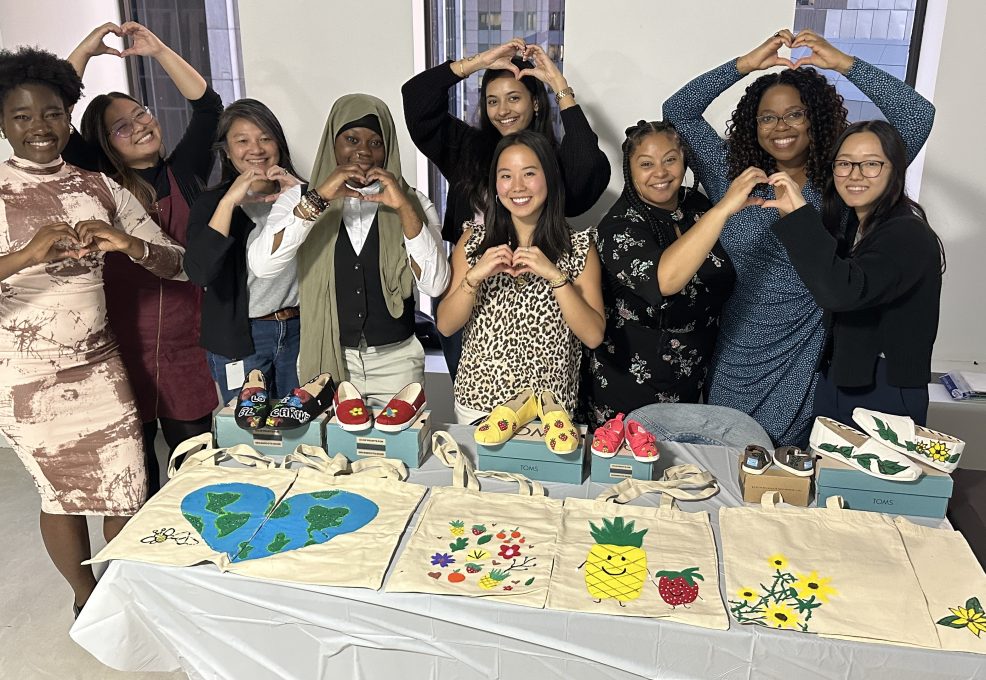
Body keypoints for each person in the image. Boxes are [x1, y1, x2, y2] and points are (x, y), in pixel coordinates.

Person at [662, 29, 935, 445]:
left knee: (786, 477)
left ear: (815, 118)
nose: (780, 127)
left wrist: (845, 63)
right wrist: (745, 65)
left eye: (795, 114)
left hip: (806, 355)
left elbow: (917, 117)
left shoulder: (842, 179)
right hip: (738, 345)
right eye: (767, 117)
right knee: (725, 455)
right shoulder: (734, 177)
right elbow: (678, 109)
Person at [0, 47, 186, 615]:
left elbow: (176, 261)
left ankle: (130, 589)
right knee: (60, 495)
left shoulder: (99, 187)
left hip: (99, 364)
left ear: (68, 115)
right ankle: (87, 596)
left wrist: (128, 243)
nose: (39, 127)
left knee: (128, 486)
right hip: (24, 375)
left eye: (52, 113)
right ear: (3, 122)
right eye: (22, 116)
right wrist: (27, 254)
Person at [64, 22, 221, 492]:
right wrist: (85, 52)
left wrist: (157, 50)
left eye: (142, 113)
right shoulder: (95, 178)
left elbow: (207, 106)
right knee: (137, 476)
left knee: (196, 468)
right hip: (120, 344)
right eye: (121, 126)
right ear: (104, 144)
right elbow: (55, 113)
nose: (140, 126)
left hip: (186, 342)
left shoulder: (185, 170)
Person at [402, 38, 610, 378]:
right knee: (472, 393)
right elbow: (417, 100)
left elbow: (590, 170)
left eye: (514, 98)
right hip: (472, 289)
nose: (504, 110)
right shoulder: (467, 149)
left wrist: (560, 86)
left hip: (541, 294)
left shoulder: (554, 160)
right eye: (493, 101)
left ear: (536, 103)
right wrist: (478, 62)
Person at [250, 93, 448, 406]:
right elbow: (263, 266)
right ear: (333, 143)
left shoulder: (415, 202)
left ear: (388, 149)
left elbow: (435, 284)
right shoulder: (298, 199)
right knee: (330, 455)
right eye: (351, 139)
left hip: (396, 363)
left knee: (401, 453)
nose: (363, 153)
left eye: (375, 143)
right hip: (326, 355)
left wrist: (404, 209)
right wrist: (320, 198)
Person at [585, 120, 772, 427]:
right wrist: (723, 209)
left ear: (684, 161)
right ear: (629, 170)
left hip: (691, 379)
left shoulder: (696, 205)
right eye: (646, 164)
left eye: (670, 160)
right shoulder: (617, 227)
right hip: (628, 384)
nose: (660, 173)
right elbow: (665, 280)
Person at [763, 120, 943, 425]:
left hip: (884, 388)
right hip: (844, 379)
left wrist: (798, 216)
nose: (855, 175)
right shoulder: (858, 228)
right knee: (827, 472)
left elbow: (840, 291)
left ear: (895, 170)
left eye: (871, 164)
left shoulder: (906, 233)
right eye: (844, 164)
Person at [437, 130, 605, 423]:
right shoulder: (473, 240)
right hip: (479, 404)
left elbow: (592, 336)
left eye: (529, 173)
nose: (517, 186)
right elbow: (446, 324)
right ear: (495, 184)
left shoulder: (578, 246)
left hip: (549, 411)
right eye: (506, 176)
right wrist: (474, 277)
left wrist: (556, 277)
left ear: (549, 178)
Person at [184, 99, 305, 406]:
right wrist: (229, 202)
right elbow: (200, 272)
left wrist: (302, 197)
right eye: (242, 141)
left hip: (298, 332)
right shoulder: (212, 203)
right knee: (249, 436)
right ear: (227, 151)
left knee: (303, 429)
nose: (256, 149)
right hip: (242, 339)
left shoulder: (301, 196)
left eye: (265, 138)